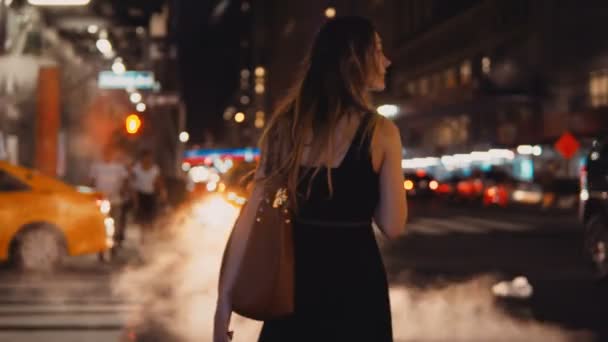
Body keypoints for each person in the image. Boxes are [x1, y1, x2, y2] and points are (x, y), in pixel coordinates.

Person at [215, 16, 407, 342]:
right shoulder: (380, 132)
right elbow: (393, 224)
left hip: (294, 286)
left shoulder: (284, 129)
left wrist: (224, 303)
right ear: (353, 60)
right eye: (377, 50)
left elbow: (249, 220)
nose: (387, 60)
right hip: (357, 291)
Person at [90, 146, 130, 257]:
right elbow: (92, 182)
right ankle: (101, 249)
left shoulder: (118, 167)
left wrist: (124, 191)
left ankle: (113, 247)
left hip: (115, 200)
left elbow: (125, 180)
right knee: (101, 226)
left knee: (115, 225)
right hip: (100, 201)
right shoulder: (97, 166)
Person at [132, 150, 164, 242]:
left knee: (151, 219)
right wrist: (135, 200)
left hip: (151, 195)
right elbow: (133, 183)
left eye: (149, 157)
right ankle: (143, 237)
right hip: (140, 195)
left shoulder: (155, 169)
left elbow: (158, 182)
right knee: (142, 220)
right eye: (145, 157)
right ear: (142, 158)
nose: (147, 159)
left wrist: (162, 193)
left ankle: (150, 236)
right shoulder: (136, 169)